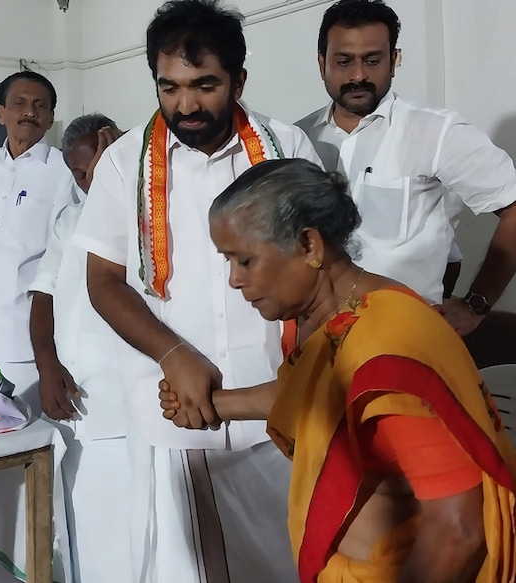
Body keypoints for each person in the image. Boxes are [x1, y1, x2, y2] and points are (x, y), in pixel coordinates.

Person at [159, 158, 516, 582]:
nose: (235, 281)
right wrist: (213, 404)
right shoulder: (336, 320)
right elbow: (323, 394)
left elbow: (459, 528)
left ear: (309, 246)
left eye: (245, 261)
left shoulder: (389, 345)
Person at [73, 1, 323, 580]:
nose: (186, 104)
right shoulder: (121, 164)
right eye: (170, 87)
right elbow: (103, 281)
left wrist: (307, 377)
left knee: (297, 560)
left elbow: (319, 276)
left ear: (239, 78)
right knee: (194, 568)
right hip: (176, 414)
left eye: (205, 85)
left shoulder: (287, 150)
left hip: (279, 411)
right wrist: (172, 353)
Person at [296, 0, 516, 336]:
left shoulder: (437, 133)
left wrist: (475, 306)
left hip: (407, 339)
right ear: (321, 63)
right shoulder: (298, 140)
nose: (359, 75)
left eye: (373, 60)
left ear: (394, 61)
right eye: (344, 61)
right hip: (318, 341)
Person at [0, 69, 77, 582]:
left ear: (51, 117)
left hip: (25, 351)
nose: (29, 112)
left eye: (40, 105)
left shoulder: (63, 175)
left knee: (25, 478)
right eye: (19, 103)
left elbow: (64, 270)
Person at [28, 113, 134, 581]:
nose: (88, 181)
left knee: (122, 535)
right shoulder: (69, 219)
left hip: (121, 404)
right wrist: (46, 364)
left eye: (97, 166)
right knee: (77, 530)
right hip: (71, 396)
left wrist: (124, 178)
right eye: (77, 173)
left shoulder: (146, 216)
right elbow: (43, 293)